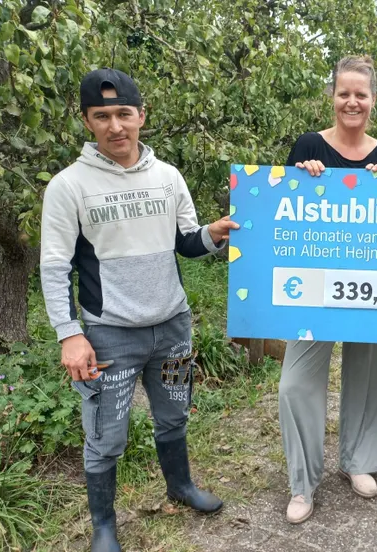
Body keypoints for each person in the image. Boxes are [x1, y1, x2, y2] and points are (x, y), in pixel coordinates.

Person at [40, 68, 239, 551]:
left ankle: (181, 486)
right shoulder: (68, 187)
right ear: (87, 121)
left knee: (174, 416)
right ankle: (104, 526)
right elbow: (53, 267)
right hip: (109, 336)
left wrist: (211, 236)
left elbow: (185, 244)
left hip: (173, 327)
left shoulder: (168, 177)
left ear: (141, 116)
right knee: (106, 435)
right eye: (102, 116)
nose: (115, 126)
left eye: (124, 114)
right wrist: (70, 334)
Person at [278, 55, 377, 525]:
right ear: (332, 97)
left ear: (373, 100)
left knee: (371, 374)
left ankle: (360, 462)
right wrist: (303, 179)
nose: (352, 101)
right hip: (312, 288)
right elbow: (285, 214)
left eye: (361, 94)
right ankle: (302, 482)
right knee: (295, 384)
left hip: (371, 286)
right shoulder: (308, 146)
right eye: (344, 93)